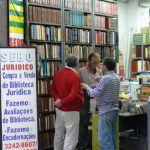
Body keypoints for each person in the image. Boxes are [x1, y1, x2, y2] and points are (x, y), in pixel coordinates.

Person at [81, 58, 120, 150]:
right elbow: (107, 83)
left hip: (105, 111)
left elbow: (94, 93)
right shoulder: (116, 77)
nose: (100, 66)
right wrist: (101, 79)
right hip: (114, 111)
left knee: (105, 140)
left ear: (105, 66)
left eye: (102, 65)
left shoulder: (105, 79)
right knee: (112, 137)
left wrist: (86, 87)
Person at [50, 55, 84, 150]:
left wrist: (58, 100)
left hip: (59, 109)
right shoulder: (75, 75)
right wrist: (62, 102)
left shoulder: (58, 73)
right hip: (71, 109)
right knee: (71, 136)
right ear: (77, 64)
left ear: (66, 62)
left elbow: (52, 89)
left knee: (59, 133)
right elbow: (74, 94)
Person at [77, 52, 102, 150]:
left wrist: (90, 86)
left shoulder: (99, 72)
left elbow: (101, 86)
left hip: (95, 100)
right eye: (94, 62)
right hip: (85, 100)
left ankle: (93, 144)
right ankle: (82, 145)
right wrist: (90, 87)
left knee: (95, 122)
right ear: (89, 61)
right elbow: (78, 85)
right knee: (84, 123)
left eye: (97, 63)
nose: (95, 65)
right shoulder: (81, 71)